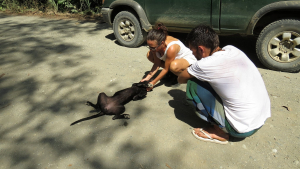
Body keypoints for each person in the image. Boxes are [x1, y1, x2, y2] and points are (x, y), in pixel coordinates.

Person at [178, 25, 271, 144]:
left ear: (201, 49)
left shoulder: (204, 65)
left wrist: (191, 69)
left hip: (239, 129)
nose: (193, 54)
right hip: (259, 120)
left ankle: (220, 131)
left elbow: (181, 79)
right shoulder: (232, 49)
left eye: (192, 50)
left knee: (192, 83)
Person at [141, 23, 197, 91]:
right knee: (149, 55)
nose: (151, 49)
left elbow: (165, 68)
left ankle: (188, 77)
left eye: (153, 47)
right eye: (149, 46)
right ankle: (172, 73)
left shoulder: (171, 48)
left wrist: (153, 83)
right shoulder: (156, 46)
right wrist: (147, 78)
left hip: (187, 60)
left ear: (161, 43)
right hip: (172, 59)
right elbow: (157, 63)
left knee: (173, 66)